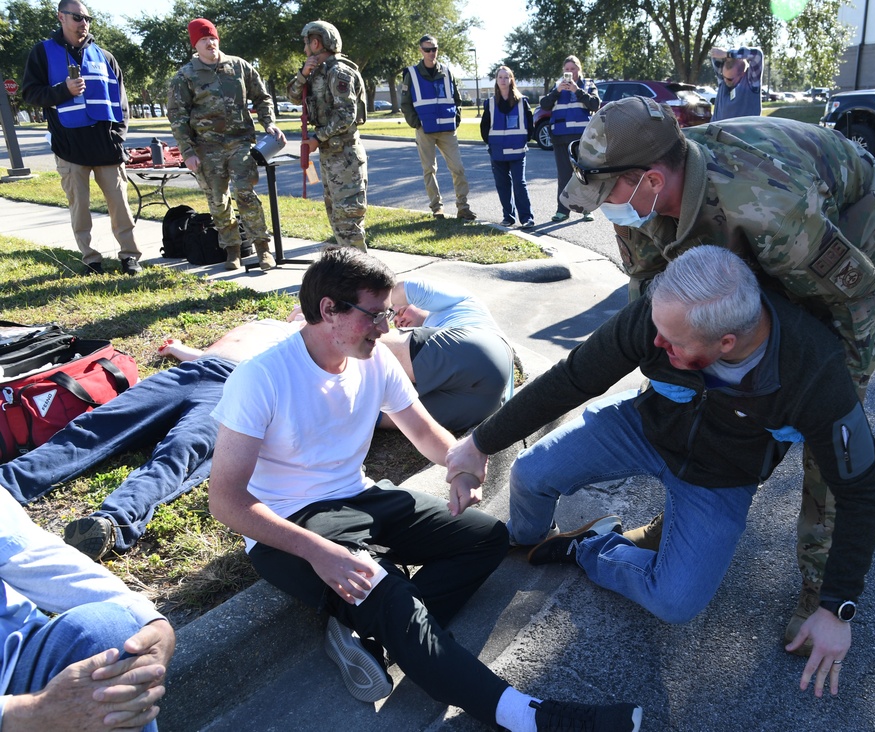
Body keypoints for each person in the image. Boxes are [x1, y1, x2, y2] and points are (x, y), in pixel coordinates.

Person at [208, 246, 642, 732]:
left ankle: (378, 628)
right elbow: (226, 501)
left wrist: (458, 467)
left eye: (388, 315)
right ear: (329, 309)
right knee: (390, 593)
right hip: (293, 519)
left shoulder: (372, 359)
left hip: (360, 496)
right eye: (374, 316)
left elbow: (426, 433)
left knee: (486, 538)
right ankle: (527, 715)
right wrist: (319, 553)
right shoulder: (261, 377)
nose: (387, 330)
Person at [557, 95, 875, 654]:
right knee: (697, 366)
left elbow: (856, 297)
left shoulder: (774, 212)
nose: (604, 208)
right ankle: (680, 519)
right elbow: (652, 299)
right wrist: (669, 362)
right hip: (743, 206)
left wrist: (832, 392)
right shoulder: (639, 198)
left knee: (823, 426)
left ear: (650, 179)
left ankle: (819, 589)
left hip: (849, 206)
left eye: (608, 195)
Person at [447, 245, 875, 699]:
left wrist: (837, 607)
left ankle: (586, 547)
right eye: (655, 327)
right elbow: (573, 377)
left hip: (721, 474)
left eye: (672, 341)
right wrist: (480, 444)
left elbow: (861, 493)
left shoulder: (814, 374)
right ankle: (526, 538)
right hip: (643, 425)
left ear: (726, 345)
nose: (654, 342)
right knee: (530, 472)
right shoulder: (661, 319)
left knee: (675, 602)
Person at [0, 318, 302, 561]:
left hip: (235, 388)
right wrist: (180, 349)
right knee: (96, 425)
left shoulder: (310, 342)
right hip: (189, 372)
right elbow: (222, 351)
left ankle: (112, 521)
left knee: (181, 451)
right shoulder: (267, 323)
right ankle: (9, 483)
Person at [0, 487, 175, 730]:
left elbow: (29, 554)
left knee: (105, 630)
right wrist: (19, 714)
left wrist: (151, 621)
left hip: (15, 661)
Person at [21, 0, 143, 277]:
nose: (83, 23)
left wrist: (118, 136)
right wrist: (63, 91)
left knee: (120, 206)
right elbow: (30, 94)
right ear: (60, 18)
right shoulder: (42, 53)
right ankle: (90, 259)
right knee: (80, 208)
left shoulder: (105, 56)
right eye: (77, 17)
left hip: (106, 147)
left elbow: (121, 101)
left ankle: (130, 257)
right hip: (69, 148)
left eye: (87, 18)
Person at [167, 18, 286, 271]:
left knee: (245, 193)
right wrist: (187, 152)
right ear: (195, 45)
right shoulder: (185, 76)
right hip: (206, 147)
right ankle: (232, 250)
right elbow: (177, 117)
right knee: (218, 200)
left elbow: (262, 97)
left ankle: (262, 248)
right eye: (203, 39)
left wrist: (269, 123)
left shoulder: (239, 66)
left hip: (239, 142)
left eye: (212, 37)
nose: (210, 43)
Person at [378, 277, 515, 431]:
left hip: (480, 348)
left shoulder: (460, 301)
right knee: (386, 411)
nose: (399, 321)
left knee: (370, 343)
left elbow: (401, 290)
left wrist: (359, 305)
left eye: (402, 312)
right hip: (484, 408)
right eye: (395, 322)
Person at [288, 21, 368, 252]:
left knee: (349, 222)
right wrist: (303, 74)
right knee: (337, 219)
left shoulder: (338, 72)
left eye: (306, 44)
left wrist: (317, 138)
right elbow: (294, 96)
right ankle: (353, 276)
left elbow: (346, 116)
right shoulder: (317, 72)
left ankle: (365, 279)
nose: (305, 50)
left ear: (315, 43)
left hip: (345, 157)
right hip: (330, 156)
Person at [400, 35, 476, 221]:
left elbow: (457, 99)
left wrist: (456, 118)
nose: (431, 53)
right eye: (427, 49)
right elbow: (405, 103)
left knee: (458, 168)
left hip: (447, 130)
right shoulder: (411, 74)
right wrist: (416, 123)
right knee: (429, 170)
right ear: (420, 51)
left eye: (434, 49)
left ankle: (463, 207)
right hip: (425, 130)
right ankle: (437, 208)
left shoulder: (447, 72)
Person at [538, 55, 599, 222]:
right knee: (564, 175)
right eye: (567, 69)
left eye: (573, 69)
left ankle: (587, 209)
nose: (570, 72)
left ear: (579, 70)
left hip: (582, 138)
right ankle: (562, 211)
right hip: (560, 137)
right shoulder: (557, 87)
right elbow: (544, 105)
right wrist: (557, 91)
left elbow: (595, 104)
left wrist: (576, 90)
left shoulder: (587, 85)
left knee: (584, 174)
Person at [480, 66, 535, 228]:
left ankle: (526, 218)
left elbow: (529, 124)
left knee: (519, 184)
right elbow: (484, 128)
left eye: (506, 77)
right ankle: (508, 217)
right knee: (502, 185)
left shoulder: (521, 101)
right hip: (497, 152)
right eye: (500, 77)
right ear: (496, 81)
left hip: (517, 151)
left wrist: (525, 140)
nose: (503, 80)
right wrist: (491, 144)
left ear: (511, 80)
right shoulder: (490, 103)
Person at [709, 46, 763, 121]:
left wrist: (727, 54)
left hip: (743, 132)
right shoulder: (723, 81)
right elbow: (714, 55)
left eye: (729, 79)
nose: (725, 80)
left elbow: (757, 55)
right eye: (724, 76)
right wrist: (727, 56)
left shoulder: (750, 83)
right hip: (717, 132)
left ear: (742, 74)